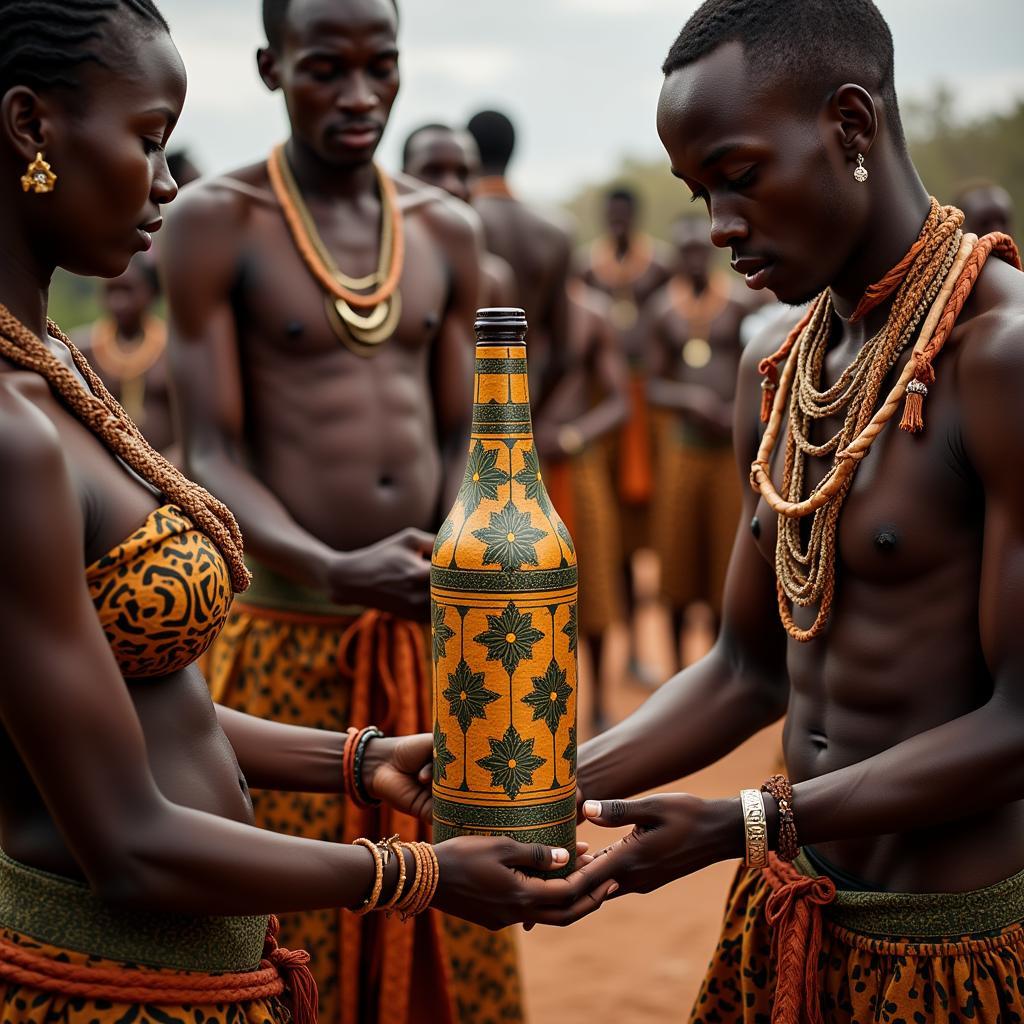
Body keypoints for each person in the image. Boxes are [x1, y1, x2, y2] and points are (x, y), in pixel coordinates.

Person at [0, 5, 617, 1024]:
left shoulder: (54, 367)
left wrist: (360, 759)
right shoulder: (18, 432)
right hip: (105, 984)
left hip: (205, 956)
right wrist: (413, 872)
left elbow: (148, 704)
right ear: (31, 128)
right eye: (148, 140)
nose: (166, 178)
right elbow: (127, 839)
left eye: (385, 66)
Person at [574, 2, 1024, 1022]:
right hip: (785, 908)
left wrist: (748, 818)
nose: (717, 226)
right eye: (698, 194)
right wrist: (545, 785)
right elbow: (748, 667)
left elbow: (1019, 722)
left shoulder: (1000, 361)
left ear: (850, 127)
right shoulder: (773, 366)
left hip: (950, 944)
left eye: (737, 177)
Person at [160, 2, 547, 1022]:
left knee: (459, 912)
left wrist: (467, 550)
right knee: (299, 926)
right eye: (326, 69)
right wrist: (333, 567)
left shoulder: (445, 229)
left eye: (382, 67)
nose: (360, 96)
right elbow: (211, 451)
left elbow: (472, 431)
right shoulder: (218, 220)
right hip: (292, 636)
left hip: (430, 633)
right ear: (268, 66)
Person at [577, 186, 673, 681]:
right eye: (609, 215)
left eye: (623, 215)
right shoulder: (586, 269)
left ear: (632, 217)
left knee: (644, 530)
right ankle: (613, 652)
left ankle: (640, 644)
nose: (616, 222)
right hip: (604, 405)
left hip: (647, 409)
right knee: (606, 535)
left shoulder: (658, 267)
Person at [646, 216, 746, 664]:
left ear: (712, 252)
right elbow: (651, 385)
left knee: (727, 555)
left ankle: (724, 662)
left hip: (729, 449)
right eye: (683, 252)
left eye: (698, 251)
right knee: (678, 557)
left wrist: (737, 408)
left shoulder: (740, 303)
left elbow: (763, 365)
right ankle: (677, 666)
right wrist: (691, 400)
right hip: (684, 447)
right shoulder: (662, 311)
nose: (692, 260)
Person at [534, 279, 629, 734]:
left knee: (591, 583)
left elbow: (619, 402)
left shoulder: (590, 313)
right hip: (510, 467)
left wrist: (573, 437)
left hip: (576, 466)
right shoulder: (499, 308)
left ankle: (599, 702)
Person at [466, 108, 571, 405]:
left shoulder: (457, 225)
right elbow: (563, 355)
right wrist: (529, 411)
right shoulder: (554, 232)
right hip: (524, 398)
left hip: (464, 405)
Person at [402, 121, 517, 307]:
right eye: (433, 171)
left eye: (463, 174)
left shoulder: (492, 280)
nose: (451, 185)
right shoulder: (381, 266)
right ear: (403, 177)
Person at [72, 254, 177, 456]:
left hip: (170, 473)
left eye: (128, 291)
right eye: (111, 292)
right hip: (104, 469)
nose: (118, 302)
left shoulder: (172, 352)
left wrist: (166, 476)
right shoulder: (81, 350)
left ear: (153, 292)